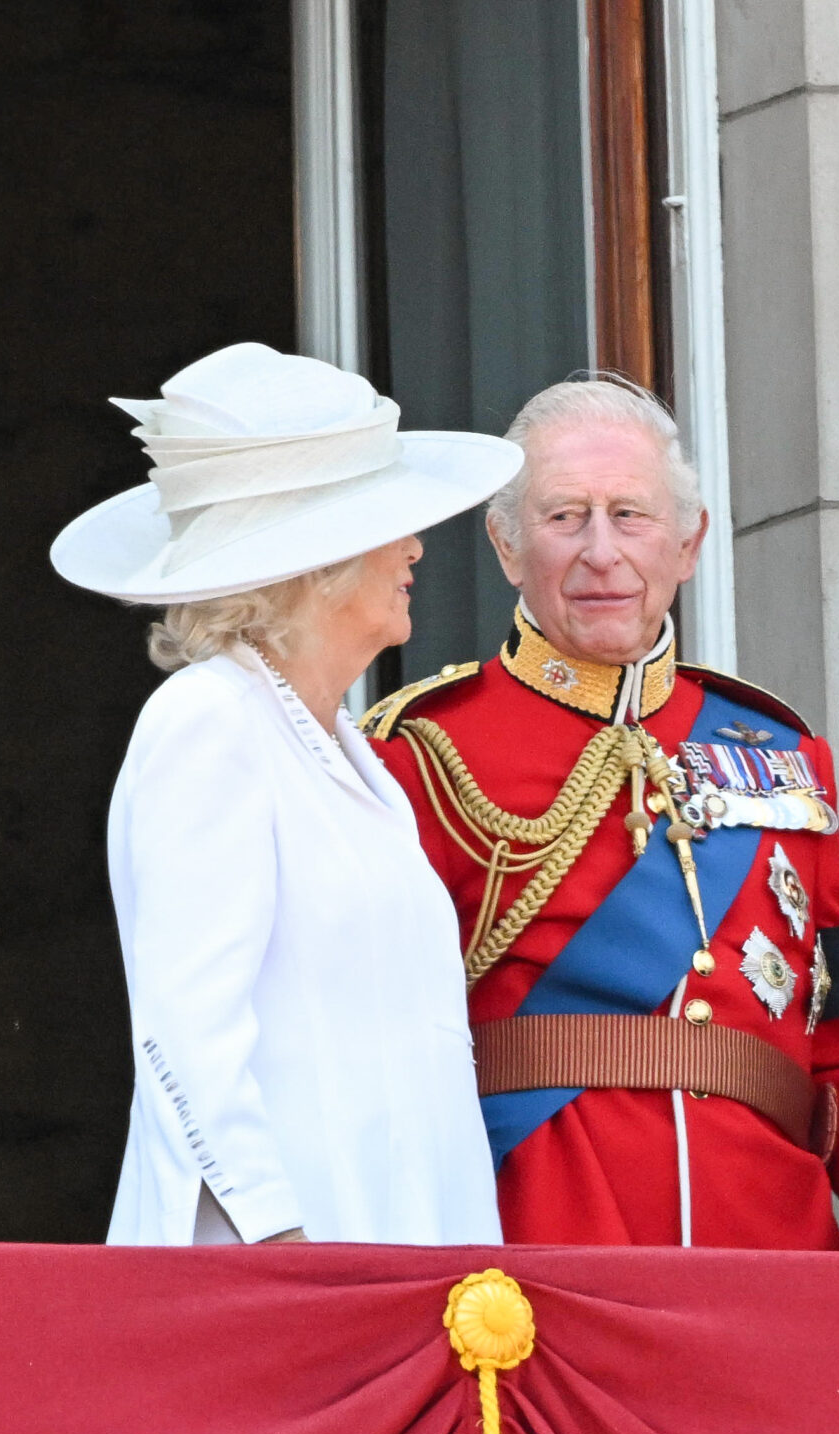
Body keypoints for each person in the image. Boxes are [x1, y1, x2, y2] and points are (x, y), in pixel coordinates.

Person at [363, 376, 839, 1251]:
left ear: (689, 543)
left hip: (770, 1257)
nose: (601, 552)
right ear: (506, 546)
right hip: (538, 1250)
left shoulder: (783, 757)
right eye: (564, 517)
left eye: (631, 515)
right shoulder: (416, 755)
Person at [50, 342, 516, 1245]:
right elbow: (186, 1038)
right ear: (319, 562)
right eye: (393, 521)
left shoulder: (348, 749)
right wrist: (277, 1242)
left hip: (395, 1261)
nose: (418, 545)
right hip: (279, 1278)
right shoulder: (211, 721)